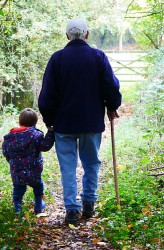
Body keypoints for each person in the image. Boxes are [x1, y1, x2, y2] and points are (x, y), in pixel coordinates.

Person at [38, 18, 122, 225]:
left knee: (68, 167)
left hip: (63, 124)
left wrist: (49, 121)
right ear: (87, 34)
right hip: (91, 122)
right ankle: (89, 204)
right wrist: (113, 106)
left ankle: (72, 210)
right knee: (91, 163)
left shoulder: (57, 59)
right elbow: (111, 86)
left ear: (67, 36)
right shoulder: (98, 57)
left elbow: (47, 95)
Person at [1, 108, 55, 214]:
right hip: (34, 170)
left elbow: (6, 152)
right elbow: (45, 146)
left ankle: (18, 211)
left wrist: (13, 162)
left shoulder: (9, 137)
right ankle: (39, 207)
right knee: (38, 188)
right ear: (35, 123)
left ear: (19, 121)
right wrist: (50, 133)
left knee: (18, 191)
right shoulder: (36, 136)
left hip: (17, 171)